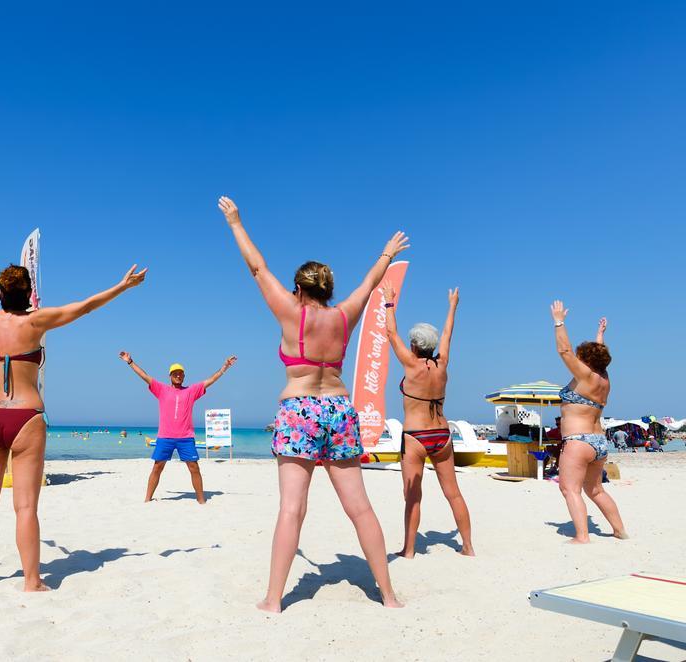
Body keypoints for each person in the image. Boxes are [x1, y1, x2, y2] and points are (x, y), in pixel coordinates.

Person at [218, 195, 404, 611]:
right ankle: (389, 596)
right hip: (339, 409)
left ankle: (273, 599)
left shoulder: (290, 312)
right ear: (329, 289)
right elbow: (370, 283)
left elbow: (257, 268)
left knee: (291, 509)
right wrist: (387, 254)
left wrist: (235, 223)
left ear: (299, 289)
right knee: (360, 508)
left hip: (299, 410)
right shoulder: (345, 316)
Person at [0, 262, 146, 590]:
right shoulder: (37, 320)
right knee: (25, 506)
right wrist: (122, 286)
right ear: (28, 294)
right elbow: (84, 307)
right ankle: (31, 581)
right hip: (26, 418)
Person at [381, 284, 473, 558]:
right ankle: (468, 547)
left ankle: (409, 550)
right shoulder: (441, 365)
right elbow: (447, 334)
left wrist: (388, 303)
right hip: (443, 436)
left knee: (412, 497)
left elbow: (390, 333)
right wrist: (453, 305)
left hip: (416, 437)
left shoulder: (411, 364)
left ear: (414, 345)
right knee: (453, 493)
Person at [550, 306, 627, 543]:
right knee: (595, 490)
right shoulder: (604, 379)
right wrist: (600, 334)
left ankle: (582, 536)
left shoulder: (584, 376)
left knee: (569, 489)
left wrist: (559, 322)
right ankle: (619, 530)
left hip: (578, 441)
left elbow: (564, 351)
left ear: (586, 361)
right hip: (598, 442)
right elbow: (598, 356)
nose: (578, 359)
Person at [117, 353, 236, 503]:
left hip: (185, 438)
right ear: (170, 376)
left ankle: (202, 501)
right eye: (175, 374)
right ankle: (147, 499)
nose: (178, 376)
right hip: (165, 437)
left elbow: (210, 381)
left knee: (194, 467)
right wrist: (130, 362)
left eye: (180, 374)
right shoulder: (161, 389)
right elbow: (145, 376)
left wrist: (224, 367)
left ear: (184, 376)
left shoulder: (191, 391)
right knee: (157, 467)